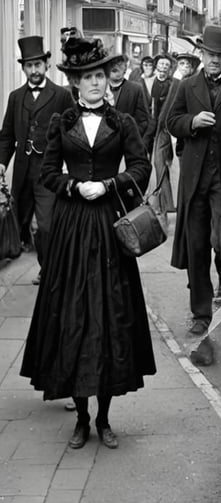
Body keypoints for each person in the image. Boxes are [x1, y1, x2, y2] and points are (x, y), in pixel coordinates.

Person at [20, 36, 155, 449]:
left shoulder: (122, 123)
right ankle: (80, 418)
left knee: (112, 316)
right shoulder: (62, 121)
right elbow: (46, 173)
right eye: (88, 77)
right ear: (75, 82)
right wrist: (77, 187)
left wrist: (110, 184)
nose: (97, 83)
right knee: (74, 314)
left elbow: (140, 167)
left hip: (110, 227)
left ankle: (105, 418)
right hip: (73, 227)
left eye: (101, 75)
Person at [167, 26, 221, 336]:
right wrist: (193, 123)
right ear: (201, 54)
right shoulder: (186, 87)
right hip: (194, 180)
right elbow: (171, 122)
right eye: (211, 54)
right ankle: (200, 312)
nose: (215, 60)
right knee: (197, 246)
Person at [0, 37, 73, 277]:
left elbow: (72, 132)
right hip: (23, 169)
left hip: (48, 171)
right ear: (23, 69)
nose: (34, 70)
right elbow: (7, 135)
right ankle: (35, 256)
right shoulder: (15, 97)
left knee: (46, 224)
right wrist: (1, 163)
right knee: (21, 221)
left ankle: (49, 269)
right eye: (29, 66)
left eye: (38, 65)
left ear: (46, 65)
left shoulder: (61, 95)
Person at [150, 52, 201, 226]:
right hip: (163, 132)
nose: (184, 67)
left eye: (188, 64)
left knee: (183, 173)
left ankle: (182, 210)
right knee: (159, 168)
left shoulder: (192, 85)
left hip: (183, 135)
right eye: (181, 63)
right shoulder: (170, 83)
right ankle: (164, 209)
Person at [106, 54, 151, 142]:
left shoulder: (135, 89)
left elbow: (143, 119)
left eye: (120, 65)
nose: (116, 68)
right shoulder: (99, 88)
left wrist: (132, 137)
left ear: (125, 69)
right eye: (112, 65)